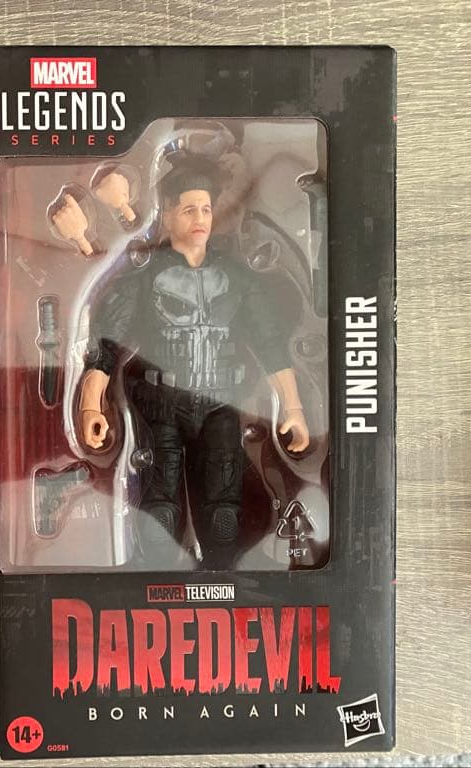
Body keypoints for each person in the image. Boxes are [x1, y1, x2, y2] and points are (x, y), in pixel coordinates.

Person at [76, 163, 309, 563]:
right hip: (161, 404)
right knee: (160, 511)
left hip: (221, 403)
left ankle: (222, 580)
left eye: (205, 209)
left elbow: (270, 344)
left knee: (223, 514)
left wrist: (293, 407)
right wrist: (90, 404)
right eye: (188, 210)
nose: (200, 218)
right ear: (167, 214)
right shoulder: (146, 276)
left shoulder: (237, 278)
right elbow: (108, 342)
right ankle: (156, 579)